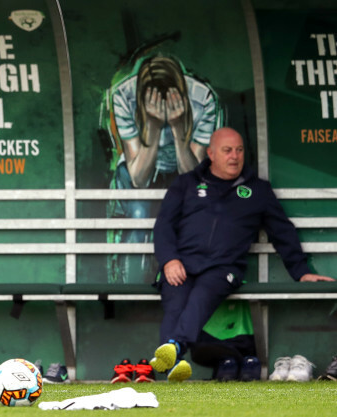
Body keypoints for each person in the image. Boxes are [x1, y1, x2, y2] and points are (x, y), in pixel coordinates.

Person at [149, 127, 334, 382]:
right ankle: (173, 365)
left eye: (239, 150)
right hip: (182, 263)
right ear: (211, 153)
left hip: (223, 268)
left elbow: (282, 232)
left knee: (201, 297)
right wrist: (169, 259)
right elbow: (164, 226)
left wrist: (301, 272)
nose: (234, 156)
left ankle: (175, 348)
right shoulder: (186, 184)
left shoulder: (258, 191)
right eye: (227, 150)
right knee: (175, 301)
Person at [102, 54, 223, 283]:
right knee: (139, 215)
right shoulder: (124, 97)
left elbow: (194, 176)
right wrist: (153, 126)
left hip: (184, 167)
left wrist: (178, 130)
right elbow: (138, 178)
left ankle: (186, 288)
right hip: (140, 166)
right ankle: (133, 291)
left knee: (194, 221)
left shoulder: (202, 99)